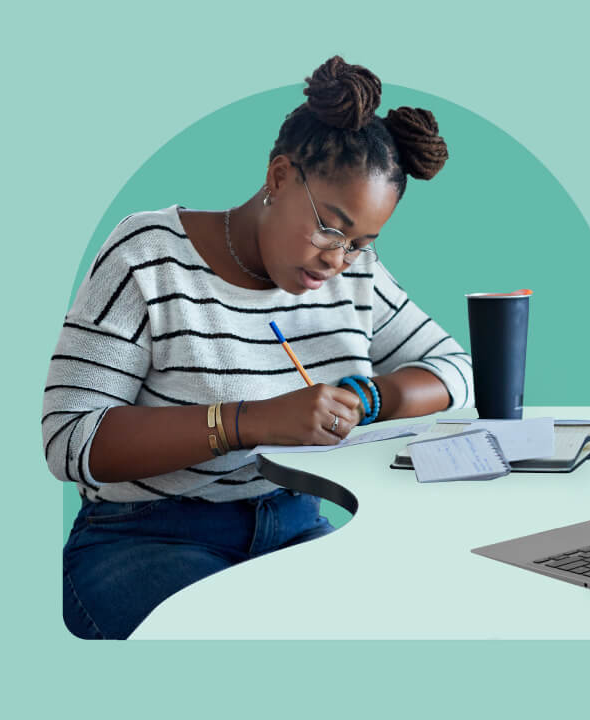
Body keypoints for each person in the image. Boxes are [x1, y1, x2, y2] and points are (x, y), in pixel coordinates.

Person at [42, 56, 475, 639]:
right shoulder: (148, 256)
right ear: (277, 177)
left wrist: (368, 398)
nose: (337, 259)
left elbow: (457, 372)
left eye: (361, 242)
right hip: (147, 537)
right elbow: (71, 440)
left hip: (294, 527)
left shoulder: (354, 275)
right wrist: (251, 421)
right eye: (330, 226)